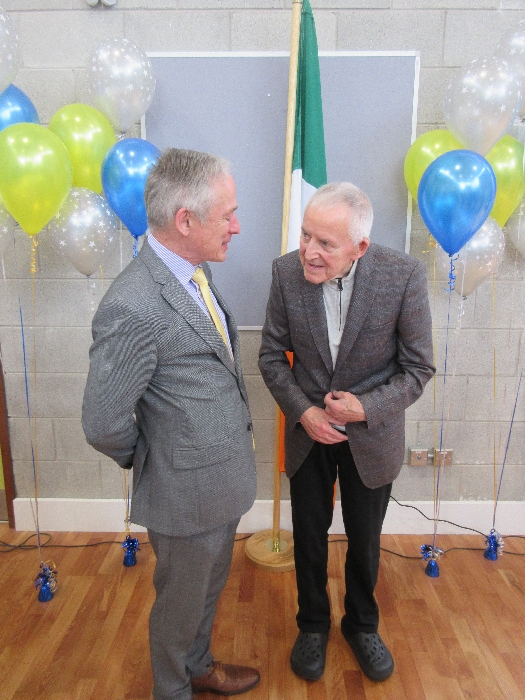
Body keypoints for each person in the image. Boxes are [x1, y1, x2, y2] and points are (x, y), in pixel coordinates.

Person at [82, 149, 260, 700]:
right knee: (180, 606)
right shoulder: (133, 305)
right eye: (228, 214)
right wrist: (156, 456)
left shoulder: (193, 272)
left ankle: (198, 666)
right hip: (184, 494)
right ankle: (173, 689)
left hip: (220, 486)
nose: (236, 226)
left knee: (205, 594)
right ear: (185, 220)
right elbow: (103, 422)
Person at [258, 182, 434, 683]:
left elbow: (418, 368)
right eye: (305, 235)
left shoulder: (403, 275)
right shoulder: (285, 272)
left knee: (365, 541)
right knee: (309, 538)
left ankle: (361, 625)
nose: (309, 252)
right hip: (308, 436)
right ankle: (312, 624)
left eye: (325, 244)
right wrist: (304, 412)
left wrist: (365, 408)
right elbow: (271, 357)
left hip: (372, 438)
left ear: (360, 246)